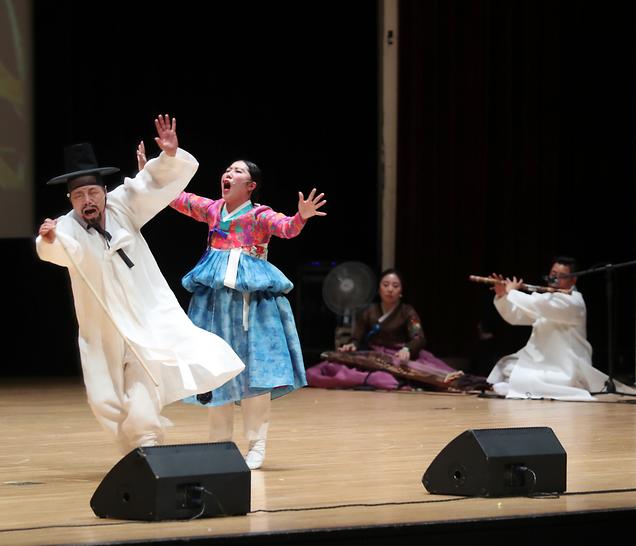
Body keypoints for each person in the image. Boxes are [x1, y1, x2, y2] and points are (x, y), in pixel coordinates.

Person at [35, 115, 245, 455]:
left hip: (143, 317)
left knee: (144, 379)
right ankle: (133, 448)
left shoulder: (121, 205)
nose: (87, 200)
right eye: (78, 195)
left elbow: (148, 183)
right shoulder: (67, 227)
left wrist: (169, 156)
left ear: (103, 191)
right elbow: (58, 250)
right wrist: (48, 239)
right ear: (71, 199)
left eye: (92, 192)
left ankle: (147, 444)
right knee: (106, 399)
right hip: (104, 327)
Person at [149, 146, 326, 469]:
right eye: (227, 170)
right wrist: (157, 170)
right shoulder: (214, 210)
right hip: (215, 303)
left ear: (251, 186)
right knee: (217, 372)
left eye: (237, 171)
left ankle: (256, 443)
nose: (228, 174)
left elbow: (285, 228)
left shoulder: (258, 216)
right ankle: (219, 446)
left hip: (251, 305)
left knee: (255, 374)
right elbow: (177, 199)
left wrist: (301, 216)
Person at [486, 256, 636, 401]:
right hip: (541, 361)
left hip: (566, 366)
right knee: (507, 366)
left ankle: (519, 386)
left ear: (573, 279)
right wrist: (502, 296)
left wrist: (512, 291)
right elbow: (516, 316)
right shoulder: (546, 299)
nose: (555, 278)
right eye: (553, 274)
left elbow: (536, 304)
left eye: (561, 275)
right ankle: (518, 384)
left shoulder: (573, 302)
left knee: (534, 378)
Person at [306, 269, 463, 390]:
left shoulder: (407, 312)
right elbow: (356, 337)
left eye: (395, 286)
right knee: (331, 367)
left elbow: (418, 337)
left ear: (401, 291)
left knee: (427, 371)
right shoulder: (369, 311)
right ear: (379, 289)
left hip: (400, 354)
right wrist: (351, 345)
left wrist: (407, 349)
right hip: (376, 356)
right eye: (385, 285)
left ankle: (447, 381)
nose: (390, 289)